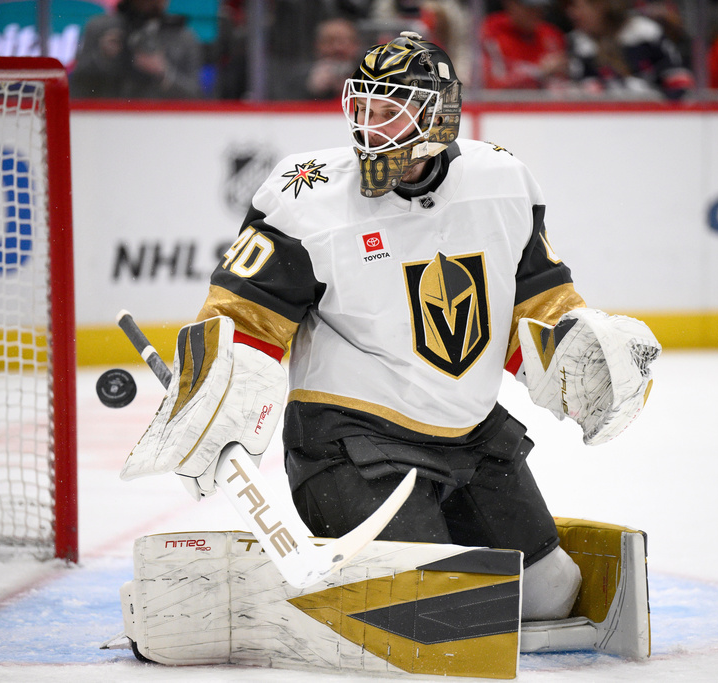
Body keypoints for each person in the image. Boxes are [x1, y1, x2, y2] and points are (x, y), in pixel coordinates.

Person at [127, 31, 660, 623]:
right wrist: (216, 391)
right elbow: (244, 317)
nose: (367, 128)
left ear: (437, 115)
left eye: (388, 112)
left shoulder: (503, 180)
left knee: (550, 596)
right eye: (362, 108)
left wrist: (576, 355)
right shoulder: (307, 194)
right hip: (347, 443)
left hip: (471, 436)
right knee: (435, 605)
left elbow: (533, 307)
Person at [70, 0, 203, 99]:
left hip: (160, 119)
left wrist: (164, 73)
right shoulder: (100, 28)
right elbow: (76, 86)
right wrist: (102, 57)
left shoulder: (183, 37)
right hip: (107, 116)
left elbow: (197, 95)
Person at [564, 0, 694, 99]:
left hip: (657, 117)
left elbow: (680, 82)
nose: (572, 14)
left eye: (576, 6)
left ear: (600, 5)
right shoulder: (577, 44)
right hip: (604, 120)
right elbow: (582, 93)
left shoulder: (645, 33)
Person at [480, 0, 570, 90]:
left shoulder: (551, 34)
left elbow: (562, 83)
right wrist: (539, 72)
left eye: (540, 8)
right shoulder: (491, 30)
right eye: (530, 7)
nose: (536, 13)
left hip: (543, 97)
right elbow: (493, 84)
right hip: (508, 98)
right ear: (510, 4)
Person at [273, 17, 364, 100]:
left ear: (356, 45)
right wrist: (310, 90)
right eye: (330, 41)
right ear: (317, 45)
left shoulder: (368, 76)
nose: (337, 47)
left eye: (344, 41)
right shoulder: (297, 79)